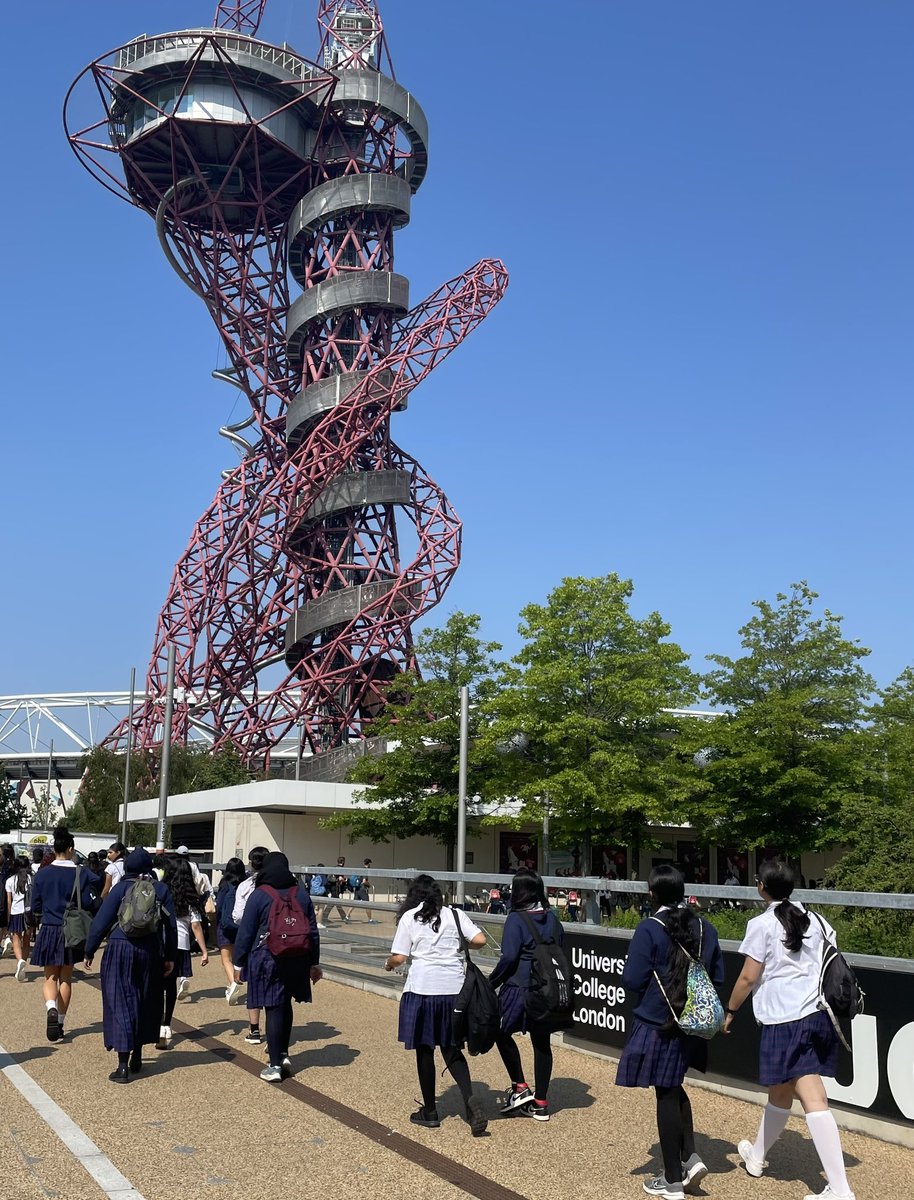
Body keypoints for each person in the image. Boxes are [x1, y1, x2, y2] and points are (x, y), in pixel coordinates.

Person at [725, 860, 855, 1200]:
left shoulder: (762, 924)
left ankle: (840, 1189)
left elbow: (748, 977)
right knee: (780, 1092)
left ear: (761, 887)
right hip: (817, 1015)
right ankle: (757, 1156)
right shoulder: (818, 919)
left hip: (785, 1020)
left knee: (813, 1098)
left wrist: (730, 1010)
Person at [616, 864, 724, 1200]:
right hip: (694, 1021)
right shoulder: (706, 928)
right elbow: (716, 975)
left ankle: (673, 1179)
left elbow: (632, 980)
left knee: (665, 1093)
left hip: (660, 1021)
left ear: (652, 893)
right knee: (675, 1085)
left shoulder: (649, 928)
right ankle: (689, 1157)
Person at [385, 873, 487, 1135]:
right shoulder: (454, 914)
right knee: (452, 1049)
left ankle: (430, 1111)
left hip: (422, 990)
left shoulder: (410, 917)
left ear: (413, 896)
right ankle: (468, 1099)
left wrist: (388, 964)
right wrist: (455, 947)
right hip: (453, 991)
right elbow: (480, 940)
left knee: (424, 1050)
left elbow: (399, 957)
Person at [83, 848, 177, 1083]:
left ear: (127, 868)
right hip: (150, 951)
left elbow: (101, 922)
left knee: (120, 1001)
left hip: (119, 947)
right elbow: (171, 926)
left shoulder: (120, 888)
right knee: (145, 1000)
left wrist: (89, 950)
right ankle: (138, 1055)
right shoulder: (160, 889)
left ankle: (122, 1065)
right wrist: (170, 957)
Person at [233, 851, 322, 1083]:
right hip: (298, 957)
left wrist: (238, 962)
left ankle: (273, 1065)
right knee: (286, 1003)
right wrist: (314, 962)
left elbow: (246, 932)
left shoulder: (260, 895)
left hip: (268, 958)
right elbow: (312, 931)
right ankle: (283, 1054)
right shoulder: (300, 894)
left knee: (273, 1007)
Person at [490, 868, 562, 1122]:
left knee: (499, 1031)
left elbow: (509, 956)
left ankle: (520, 1086)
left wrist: (491, 982)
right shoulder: (552, 918)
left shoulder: (516, 919)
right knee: (541, 1043)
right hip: (546, 989)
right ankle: (541, 1103)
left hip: (519, 987)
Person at [29, 826, 97, 1042]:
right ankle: (59, 1023)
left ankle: (50, 1007)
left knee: (50, 976)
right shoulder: (81, 872)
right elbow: (90, 898)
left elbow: (35, 905)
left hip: (49, 927)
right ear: (70, 849)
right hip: (72, 930)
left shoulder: (42, 873)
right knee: (66, 977)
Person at [158, 855, 208, 1048]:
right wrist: (204, 950)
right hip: (180, 945)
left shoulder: (161, 891)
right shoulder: (189, 897)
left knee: (156, 986)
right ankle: (166, 1025)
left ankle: (155, 1023)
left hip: (160, 944)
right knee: (170, 986)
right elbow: (195, 926)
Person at [232, 846, 268, 1043]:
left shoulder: (246, 886)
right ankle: (275, 1030)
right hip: (278, 939)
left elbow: (237, 916)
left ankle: (254, 1030)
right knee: (274, 986)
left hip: (254, 940)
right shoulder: (282, 886)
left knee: (254, 985)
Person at [215, 857, 247, 1005]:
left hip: (226, 926)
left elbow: (219, 906)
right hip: (242, 926)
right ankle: (241, 979)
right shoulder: (247, 884)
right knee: (239, 957)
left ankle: (233, 983)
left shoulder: (225, 884)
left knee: (226, 959)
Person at [4, 854, 33, 981]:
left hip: (16, 913)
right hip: (29, 913)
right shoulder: (32, 879)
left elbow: (9, 901)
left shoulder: (10, 880)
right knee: (26, 941)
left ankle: (20, 960)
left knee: (16, 939)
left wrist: (8, 916)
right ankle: (23, 963)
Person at [357, 858, 378, 924]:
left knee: (353, 903)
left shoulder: (361, 870)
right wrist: (369, 884)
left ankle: (347, 917)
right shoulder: (366, 871)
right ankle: (370, 920)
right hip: (363, 890)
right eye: (370, 864)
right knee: (368, 905)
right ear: (368, 864)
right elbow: (364, 881)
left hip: (358, 889)